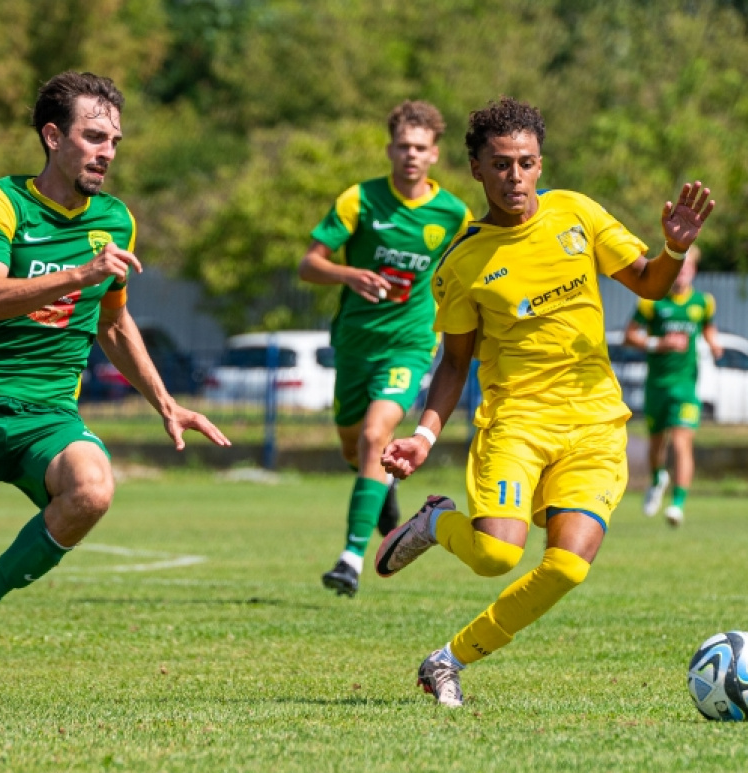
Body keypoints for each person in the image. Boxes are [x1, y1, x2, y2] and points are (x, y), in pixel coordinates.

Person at [376, 96, 715, 707]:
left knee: (567, 567)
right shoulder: (463, 262)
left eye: (527, 163)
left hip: (595, 424)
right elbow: (455, 362)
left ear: (541, 163)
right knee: (495, 555)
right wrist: (424, 436)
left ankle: (445, 661)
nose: (515, 178)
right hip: (516, 422)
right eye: (501, 164)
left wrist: (672, 250)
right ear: (476, 167)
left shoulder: (576, 214)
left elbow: (648, 282)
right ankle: (436, 521)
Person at [0, 71, 231, 679]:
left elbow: (114, 324)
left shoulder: (116, 221)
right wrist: (76, 275)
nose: (107, 153)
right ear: (51, 136)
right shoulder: (0, 203)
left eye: (114, 141)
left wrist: (165, 403)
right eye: (94, 137)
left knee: (93, 488)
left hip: (48, 415)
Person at [299, 100, 472, 597]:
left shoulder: (453, 214)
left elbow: (469, 270)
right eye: (402, 147)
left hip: (410, 344)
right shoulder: (360, 200)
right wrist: (347, 274)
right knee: (355, 447)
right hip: (355, 344)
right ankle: (385, 488)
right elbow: (309, 265)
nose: (410, 156)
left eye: (420, 148)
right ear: (390, 148)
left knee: (377, 437)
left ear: (435, 154)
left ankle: (351, 557)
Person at [624, 246, 722, 526]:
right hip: (656, 386)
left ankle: (677, 504)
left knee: (681, 443)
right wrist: (659, 343)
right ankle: (657, 478)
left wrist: (714, 344)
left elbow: (708, 329)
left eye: (688, 268)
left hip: (686, 388)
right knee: (657, 445)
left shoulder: (703, 302)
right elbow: (630, 336)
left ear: (694, 271)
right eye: (678, 268)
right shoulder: (652, 301)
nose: (682, 273)